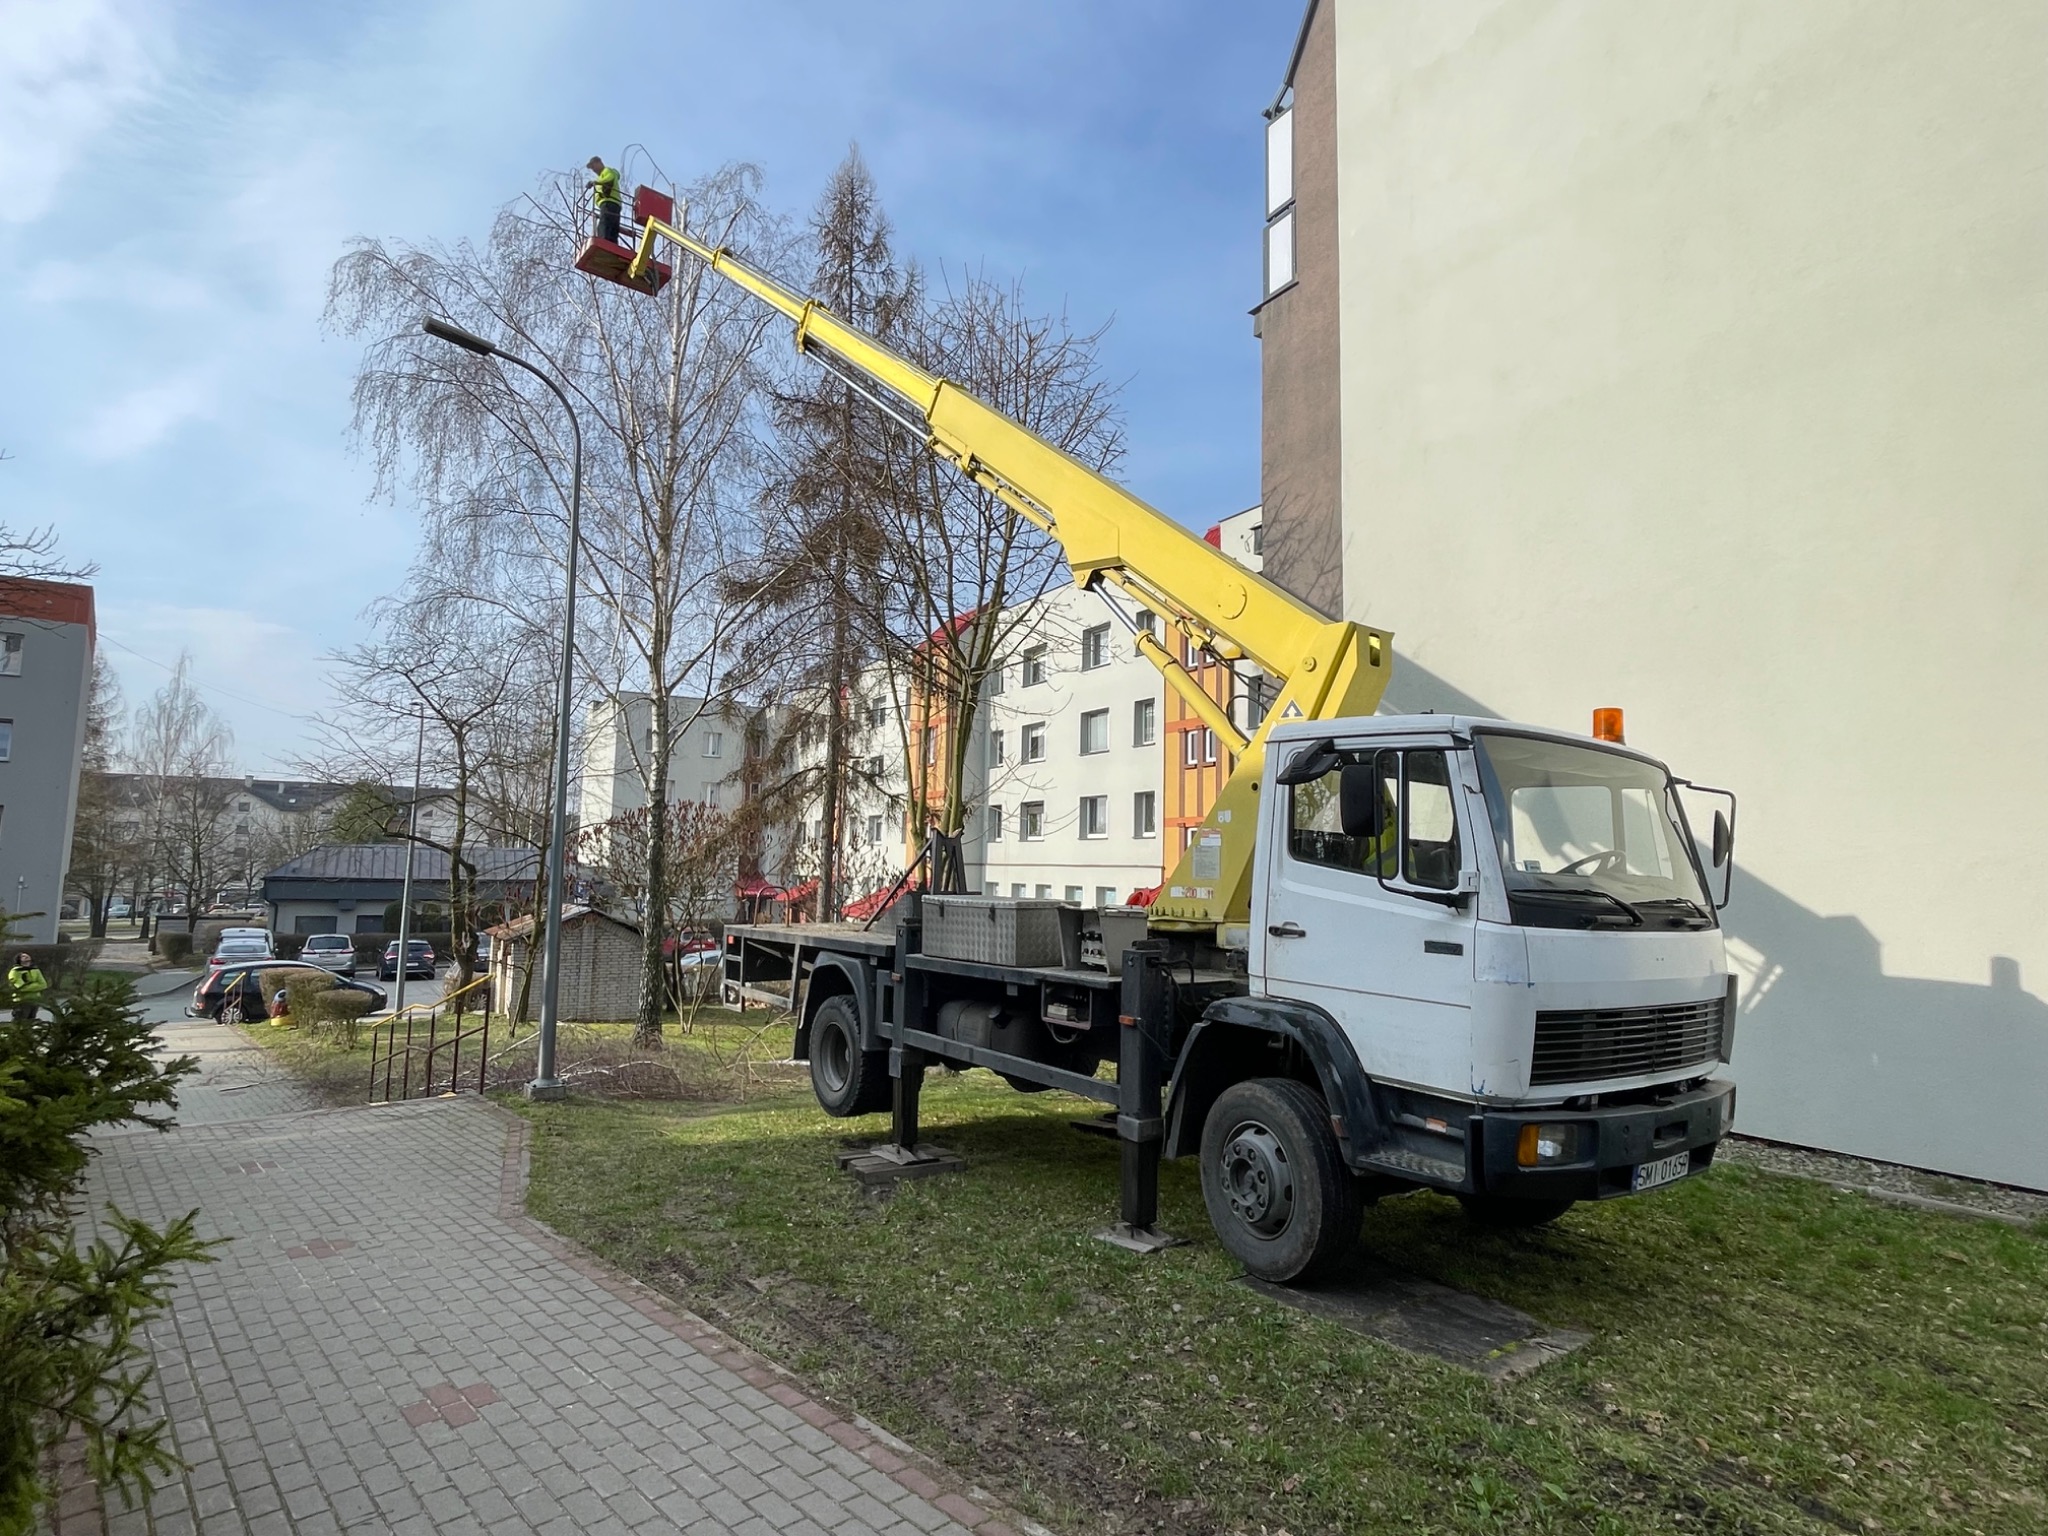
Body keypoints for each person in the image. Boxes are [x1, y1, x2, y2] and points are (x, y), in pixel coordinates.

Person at [587, 155, 622, 245]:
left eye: (593, 166)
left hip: (608, 202)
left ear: (599, 163)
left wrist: (595, 182)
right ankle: (612, 245)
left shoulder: (607, 171)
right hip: (614, 204)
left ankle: (603, 243)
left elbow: (610, 178)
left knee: (604, 225)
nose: (593, 170)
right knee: (612, 227)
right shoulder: (602, 176)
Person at [9, 952, 48, 1023]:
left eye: (27, 955)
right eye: (23, 956)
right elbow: (21, 987)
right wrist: (36, 985)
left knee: (31, 1021)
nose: (26, 956)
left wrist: (30, 986)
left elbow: (44, 984)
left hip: (35, 1000)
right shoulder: (15, 971)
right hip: (22, 1000)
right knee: (20, 1021)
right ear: (19, 960)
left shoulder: (35, 970)